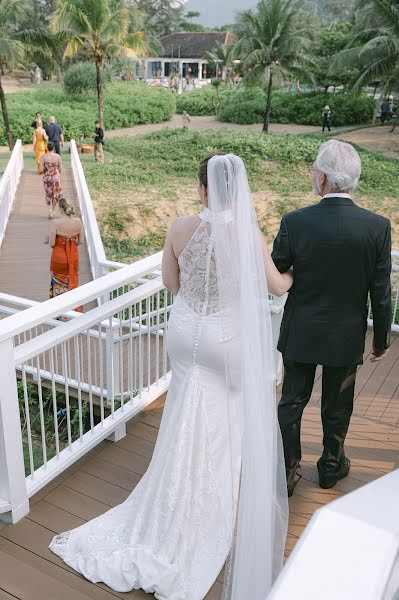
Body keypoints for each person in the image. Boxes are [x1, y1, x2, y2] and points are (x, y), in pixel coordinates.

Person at [49, 153, 292, 599]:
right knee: (221, 417)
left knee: (185, 407)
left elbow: (170, 282)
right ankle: (208, 504)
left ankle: (172, 492)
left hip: (183, 333)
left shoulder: (180, 228)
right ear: (236, 191)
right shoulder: (248, 235)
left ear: (202, 188)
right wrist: (296, 276)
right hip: (223, 338)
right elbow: (276, 286)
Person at [272, 140, 392, 497]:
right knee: (338, 405)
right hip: (345, 333)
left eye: (314, 169)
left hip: (301, 331)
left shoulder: (295, 221)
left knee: (291, 401)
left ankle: (288, 470)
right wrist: (382, 340)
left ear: (322, 178)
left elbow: (276, 271)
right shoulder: (377, 226)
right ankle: (330, 466)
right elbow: (381, 292)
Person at [48, 197, 84, 312]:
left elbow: (51, 243)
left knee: (57, 284)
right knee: (72, 280)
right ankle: (73, 309)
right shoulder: (78, 222)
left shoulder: (55, 223)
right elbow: (81, 241)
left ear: (60, 208)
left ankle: (58, 311)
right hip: (73, 257)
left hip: (58, 258)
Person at [40, 141, 62, 219]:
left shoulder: (43, 157)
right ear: (53, 148)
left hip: (47, 177)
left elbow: (41, 170)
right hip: (56, 177)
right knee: (55, 194)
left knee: (48, 194)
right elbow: (60, 169)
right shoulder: (58, 156)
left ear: (47, 148)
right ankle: (53, 211)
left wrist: (46, 169)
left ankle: (50, 211)